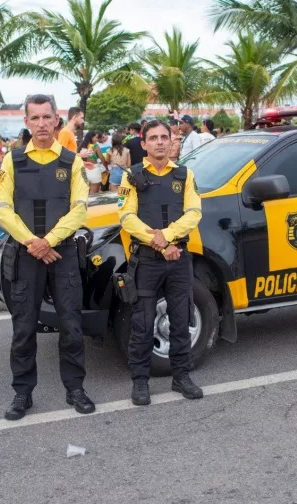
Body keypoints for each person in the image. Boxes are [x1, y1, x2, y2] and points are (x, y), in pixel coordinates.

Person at [0, 93, 95, 418]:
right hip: (26, 255)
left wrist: (48, 241)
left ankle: (75, 389)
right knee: (23, 327)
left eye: (46, 117)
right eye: (34, 118)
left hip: (62, 253)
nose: (41, 123)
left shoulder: (71, 161)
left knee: (71, 325)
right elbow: (2, 209)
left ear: (56, 120)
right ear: (26, 121)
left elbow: (80, 209)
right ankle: (23, 394)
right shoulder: (13, 161)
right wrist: (32, 243)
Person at [118, 120, 204, 406]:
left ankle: (182, 377)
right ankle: (140, 382)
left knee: (181, 320)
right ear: (143, 144)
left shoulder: (185, 174)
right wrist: (159, 243)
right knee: (142, 324)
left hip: (178, 257)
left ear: (172, 141)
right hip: (147, 261)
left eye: (163, 137)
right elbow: (126, 217)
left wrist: (166, 238)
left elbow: (193, 213)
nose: (158, 142)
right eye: (152, 138)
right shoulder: (131, 176)